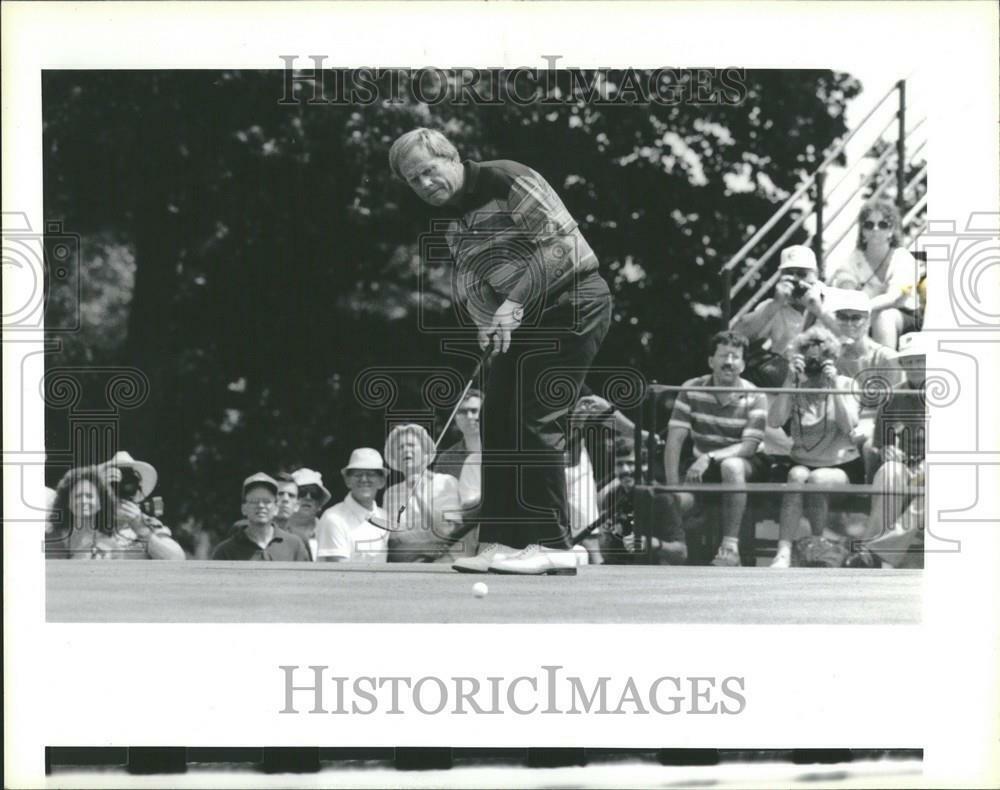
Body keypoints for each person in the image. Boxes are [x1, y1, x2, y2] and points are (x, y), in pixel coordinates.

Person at [389, 128, 613, 575]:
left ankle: (555, 545)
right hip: (526, 316)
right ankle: (501, 540)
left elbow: (558, 245)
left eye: (429, 171)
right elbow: (477, 287)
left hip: (575, 301)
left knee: (536, 418)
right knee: (496, 419)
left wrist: (511, 306)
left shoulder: (507, 178)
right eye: (414, 180)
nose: (425, 184)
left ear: (452, 157)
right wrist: (487, 325)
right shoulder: (453, 223)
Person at [663, 330, 770, 567]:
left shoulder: (755, 395)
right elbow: (675, 440)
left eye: (735, 357)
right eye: (723, 356)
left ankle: (730, 548)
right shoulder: (691, 388)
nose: (729, 362)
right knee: (671, 502)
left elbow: (749, 446)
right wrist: (672, 486)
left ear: (743, 364)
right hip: (702, 466)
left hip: (746, 464)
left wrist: (710, 457)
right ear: (711, 361)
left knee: (731, 467)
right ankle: (674, 554)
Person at [768, 326, 862, 568]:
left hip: (840, 466)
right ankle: (784, 550)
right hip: (802, 463)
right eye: (809, 358)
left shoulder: (845, 383)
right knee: (796, 474)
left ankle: (818, 544)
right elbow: (775, 421)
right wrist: (790, 380)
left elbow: (849, 425)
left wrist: (833, 386)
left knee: (817, 479)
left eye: (821, 358)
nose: (815, 364)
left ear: (832, 359)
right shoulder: (796, 386)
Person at [860, 332, 929, 568]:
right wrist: (888, 450)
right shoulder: (892, 397)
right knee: (889, 471)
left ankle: (874, 553)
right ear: (902, 365)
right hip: (905, 468)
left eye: (922, 359)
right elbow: (880, 443)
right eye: (909, 361)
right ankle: (873, 550)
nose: (916, 366)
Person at [824, 288, 904, 480]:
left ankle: (871, 499)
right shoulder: (830, 358)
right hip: (842, 422)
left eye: (856, 318)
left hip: (878, 423)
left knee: (870, 445)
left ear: (867, 320)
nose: (849, 323)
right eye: (843, 317)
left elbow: (895, 407)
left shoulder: (886, 357)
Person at [825, 199, 921, 349]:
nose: (875, 229)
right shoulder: (852, 261)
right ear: (862, 231)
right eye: (869, 225)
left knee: (884, 317)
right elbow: (847, 292)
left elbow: (894, 298)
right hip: (862, 317)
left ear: (891, 230)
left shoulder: (903, 258)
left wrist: (863, 309)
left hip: (905, 316)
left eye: (883, 224)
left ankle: (885, 371)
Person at [45, 463, 185, 560]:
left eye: (128, 484)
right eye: (112, 486)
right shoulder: (82, 523)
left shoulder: (147, 523)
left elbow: (176, 559)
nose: (119, 492)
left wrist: (142, 531)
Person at [734, 245, 828, 388]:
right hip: (788, 381)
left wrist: (817, 310)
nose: (796, 281)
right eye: (789, 274)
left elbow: (851, 339)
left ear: (816, 274)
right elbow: (736, 337)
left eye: (802, 274)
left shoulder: (832, 299)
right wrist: (775, 304)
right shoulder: (775, 306)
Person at [382, 424, 467, 563]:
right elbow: (392, 544)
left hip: (445, 561)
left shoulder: (446, 482)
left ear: (424, 452)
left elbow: (447, 532)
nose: (405, 450)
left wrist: (418, 494)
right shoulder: (391, 493)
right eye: (400, 447)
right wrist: (422, 548)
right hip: (407, 564)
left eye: (411, 445)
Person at [598, 434, 687, 565]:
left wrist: (652, 543)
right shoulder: (611, 496)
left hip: (652, 573)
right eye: (619, 464)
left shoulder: (662, 498)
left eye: (630, 463)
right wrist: (604, 537)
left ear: (644, 466)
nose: (625, 470)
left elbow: (682, 553)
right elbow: (607, 553)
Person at [212, 473, 310, 561]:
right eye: (254, 501)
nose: (261, 506)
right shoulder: (225, 551)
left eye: (267, 501)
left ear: (276, 508)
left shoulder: (295, 546)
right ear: (243, 508)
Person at [315, 449, 390, 562]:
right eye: (357, 474)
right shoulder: (334, 518)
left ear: (382, 481)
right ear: (347, 480)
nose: (364, 479)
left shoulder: (385, 518)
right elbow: (340, 574)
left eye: (371, 474)